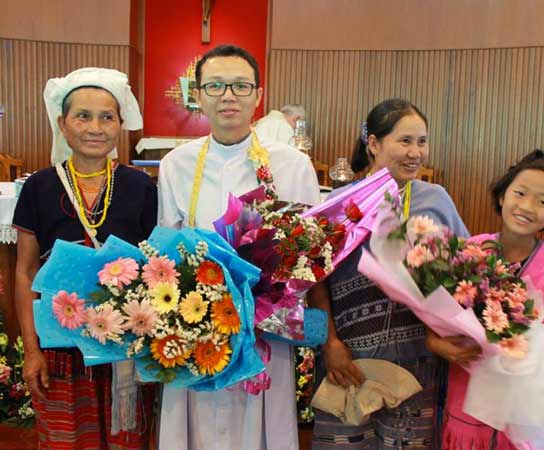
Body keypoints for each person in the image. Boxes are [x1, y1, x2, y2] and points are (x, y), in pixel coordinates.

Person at [157, 44, 320, 450]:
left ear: (258, 95)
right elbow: (166, 251)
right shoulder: (176, 164)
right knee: (196, 423)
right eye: (215, 86)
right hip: (196, 323)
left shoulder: (292, 165)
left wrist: (270, 299)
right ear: (199, 96)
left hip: (266, 327)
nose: (228, 96)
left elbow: (310, 251)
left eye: (240, 86)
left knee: (261, 424)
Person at [309, 98, 470, 450]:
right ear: (373, 143)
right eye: (405, 141)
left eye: (422, 141)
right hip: (349, 361)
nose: (416, 152)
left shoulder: (436, 199)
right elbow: (315, 281)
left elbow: (464, 271)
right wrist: (330, 344)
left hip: (418, 361)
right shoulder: (340, 204)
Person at [13, 68, 157, 449]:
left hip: (124, 349)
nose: (95, 127)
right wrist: (32, 351)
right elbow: (25, 271)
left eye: (107, 117)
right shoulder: (39, 186)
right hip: (59, 350)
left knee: (127, 441)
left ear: (120, 124)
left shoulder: (140, 186)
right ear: (62, 124)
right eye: (83, 116)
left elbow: (157, 268)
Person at [435, 149, 544, 450]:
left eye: (543, 202)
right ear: (503, 196)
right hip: (468, 397)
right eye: (520, 193)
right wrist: (437, 344)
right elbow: (438, 314)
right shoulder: (471, 251)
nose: (527, 206)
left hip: (525, 408)